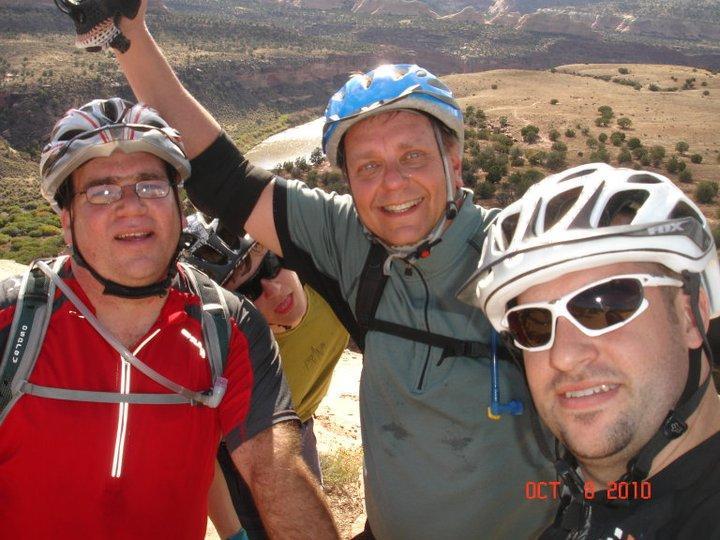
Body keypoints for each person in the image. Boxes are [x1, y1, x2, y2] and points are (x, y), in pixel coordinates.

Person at [91, 5, 555, 538]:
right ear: (350, 183)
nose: (393, 185)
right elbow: (226, 180)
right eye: (368, 167)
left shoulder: (524, 256)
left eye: (412, 157)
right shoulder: (353, 244)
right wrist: (130, 36)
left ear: (453, 162)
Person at [0, 97, 338, 539]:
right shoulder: (13, 322)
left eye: (151, 185)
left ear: (180, 208)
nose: (131, 205)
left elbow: (276, 471)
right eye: (101, 191)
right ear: (67, 221)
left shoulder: (229, 327)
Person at [460, 163, 720, 538]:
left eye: (604, 305)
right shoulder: (581, 510)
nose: (563, 356)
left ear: (690, 316)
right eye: (531, 324)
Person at [181, 214, 349, 539]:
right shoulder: (227, 350)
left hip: (300, 420)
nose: (273, 289)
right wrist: (232, 533)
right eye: (248, 289)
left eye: (270, 265)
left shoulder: (334, 289)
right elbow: (205, 455)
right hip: (241, 446)